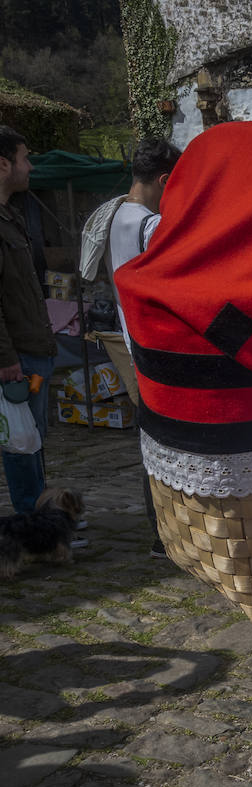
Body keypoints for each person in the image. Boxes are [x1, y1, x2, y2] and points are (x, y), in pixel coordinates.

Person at [83, 137, 180, 556]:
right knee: (166, 441)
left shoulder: (113, 214)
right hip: (155, 346)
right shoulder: (151, 225)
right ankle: (168, 534)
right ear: (163, 180)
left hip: (128, 339)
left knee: (149, 441)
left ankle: (159, 533)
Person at [0, 126, 56, 513]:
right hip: (18, 359)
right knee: (20, 438)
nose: (30, 166)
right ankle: (33, 520)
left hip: (33, 351)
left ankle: (42, 511)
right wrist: (7, 360)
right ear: (3, 165)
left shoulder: (11, 216)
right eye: (24, 158)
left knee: (32, 434)